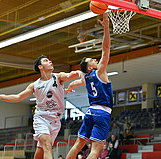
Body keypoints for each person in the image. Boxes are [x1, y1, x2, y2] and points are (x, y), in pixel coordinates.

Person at [0, 55, 84, 159]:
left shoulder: (58, 77)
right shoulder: (35, 85)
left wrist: (77, 73)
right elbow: (18, 97)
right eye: (46, 61)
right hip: (41, 118)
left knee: (41, 149)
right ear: (40, 67)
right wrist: (1, 97)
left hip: (56, 120)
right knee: (47, 145)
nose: (50, 61)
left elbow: (69, 76)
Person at [65, 13, 112, 159]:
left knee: (78, 144)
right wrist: (106, 28)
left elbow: (74, 82)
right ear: (90, 68)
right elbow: (106, 48)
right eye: (92, 60)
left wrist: (70, 88)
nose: (96, 59)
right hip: (102, 113)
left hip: (90, 112)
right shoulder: (100, 72)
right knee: (95, 150)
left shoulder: (87, 78)